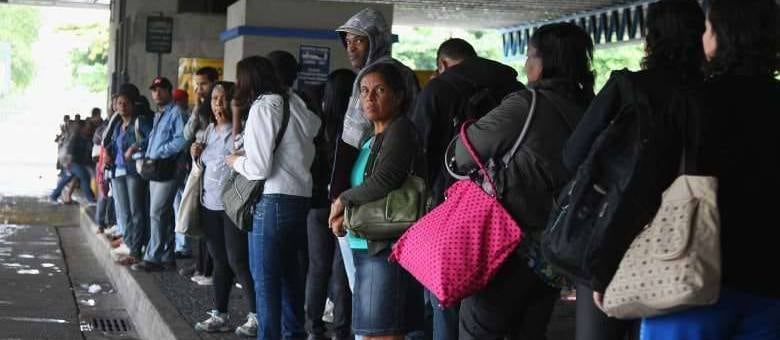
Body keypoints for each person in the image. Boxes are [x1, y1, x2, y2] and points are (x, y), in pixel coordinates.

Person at [560, 1, 708, 339]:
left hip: (615, 230)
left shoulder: (627, 87)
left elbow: (572, 157)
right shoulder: (710, 94)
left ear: (650, 38)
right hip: (689, 238)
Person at [639, 0, 780, 338]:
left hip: (693, 275)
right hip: (771, 284)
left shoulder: (693, 101)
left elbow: (643, 184)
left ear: (719, 36)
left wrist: (603, 267)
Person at [451, 22, 595, 339]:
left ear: (545, 63)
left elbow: (462, 154)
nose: (526, 63)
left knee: (478, 328)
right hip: (554, 257)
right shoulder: (591, 113)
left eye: (530, 55)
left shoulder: (526, 106)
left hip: (506, 247)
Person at [410, 37, 524, 340]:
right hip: (508, 209)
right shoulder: (514, 89)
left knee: (444, 294)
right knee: (494, 298)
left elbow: (419, 152)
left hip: (451, 208)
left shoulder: (438, 90)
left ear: (443, 63)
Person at [225, 56, 321, 340]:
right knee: (290, 276)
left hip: (273, 201)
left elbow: (259, 168)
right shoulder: (296, 104)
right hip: (298, 199)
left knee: (265, 281)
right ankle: (293, 335)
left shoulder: (264, 107)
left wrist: (234, 161)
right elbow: (311, 133)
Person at [329, 63, 425, 340]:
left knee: (381, 335)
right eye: (364, 91)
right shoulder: (373, 137)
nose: (369, 98)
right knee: (375, 332)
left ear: (398, 95)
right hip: (367, 244)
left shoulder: (400, 130)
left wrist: (342, 201)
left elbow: (385, 180)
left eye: (379, 90)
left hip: (385, 247)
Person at [188, 81, 258, 337]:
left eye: (224, 98)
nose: (218, 103)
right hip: (209, 204)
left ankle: (257, 316)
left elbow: (243, 157)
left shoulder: (241, 131)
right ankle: (221, 314)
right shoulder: (208, 131)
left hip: (232, 206)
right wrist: (195, 152)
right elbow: (205, 164)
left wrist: (237, 117)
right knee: (219, 261)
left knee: (238, 260)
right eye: (215, 98)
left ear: (235, 102)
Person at [330, 8, 420, 200]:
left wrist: (338, 197)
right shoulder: (406, 72)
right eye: (348, 42)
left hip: (371, 174)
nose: (350, 48)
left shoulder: (368, 76)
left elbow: (352, 138)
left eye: (359, 41)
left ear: (375, 41)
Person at [305, 69, 355, 340]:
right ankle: (341, 330)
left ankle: (313, 328)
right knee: (340, 269)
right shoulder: (355, 130)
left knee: (317, 267)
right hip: (344, 205)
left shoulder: (318, 127)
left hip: (316, 205)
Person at [130, 76, 187, 272]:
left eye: (161, 89)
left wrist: (160, 151)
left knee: (156, 212)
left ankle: (153, 257)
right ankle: (167, 256)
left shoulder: (176, 112)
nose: (157, 93)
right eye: (154, 90)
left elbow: (183, 139)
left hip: (167, 168)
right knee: (164, 214)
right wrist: (143, 151)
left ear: (169, 91)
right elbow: (153, 140)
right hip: (156, 169)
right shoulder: (159, 114)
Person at [104, 90, 152, 266]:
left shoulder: (140, 122)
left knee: (137, 212)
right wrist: (109, 153)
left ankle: (136, 251)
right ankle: (131, 244)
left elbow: (151, 138)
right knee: (125, 213)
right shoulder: (118, 125)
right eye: (119, 103)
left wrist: (134, 147)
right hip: (119, 171)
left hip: (134, 171)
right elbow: (112, 143)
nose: (122, 106)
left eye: (126, 103)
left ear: (132, 105)